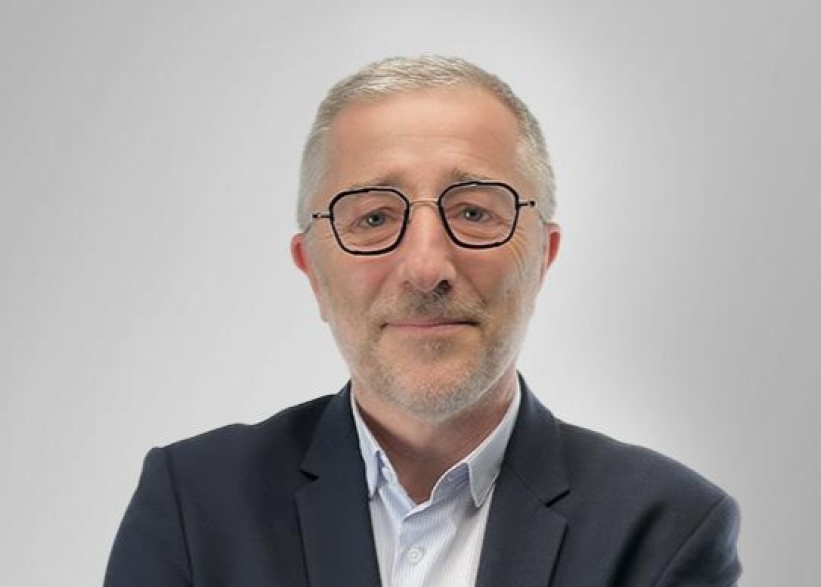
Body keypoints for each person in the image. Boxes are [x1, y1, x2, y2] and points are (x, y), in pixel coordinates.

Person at [104, 55, 741, 587]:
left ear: (542, 259)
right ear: (313, 272)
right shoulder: (194, 505)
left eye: (474, 212)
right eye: (374, 217)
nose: (427, 267)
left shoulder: (665, 530)